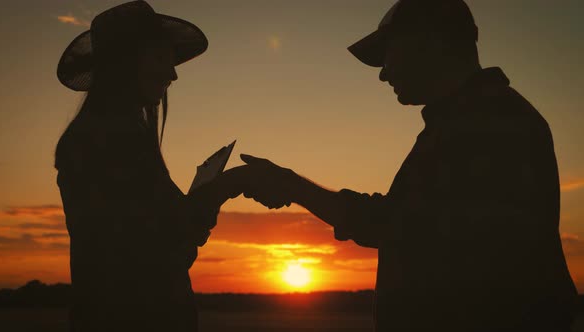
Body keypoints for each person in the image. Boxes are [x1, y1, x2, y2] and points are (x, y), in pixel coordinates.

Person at [240, 0, 578, 331]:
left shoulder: (490, 121)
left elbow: (402, 224)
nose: (383, 74)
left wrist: (292, 186)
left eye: (387, 54)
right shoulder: (469, 119)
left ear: (429, 43)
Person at [54, 1, 245, 331]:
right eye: (160, 58)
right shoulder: (103, 142)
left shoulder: (113, 138)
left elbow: (161, 239)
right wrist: (219, 191)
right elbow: (153, 253)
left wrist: (204, 202)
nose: (172, 73)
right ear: (124, 64)